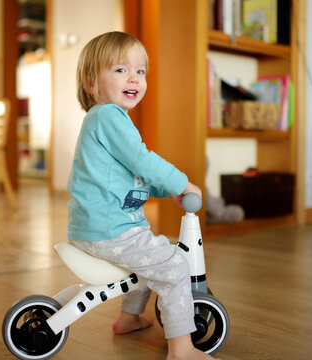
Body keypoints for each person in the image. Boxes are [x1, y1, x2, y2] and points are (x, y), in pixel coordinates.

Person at [67, 31, 216, 360]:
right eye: (120, 70)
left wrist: (167, 191)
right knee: (175, 265)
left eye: (140, 71)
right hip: (110, 230)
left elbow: (133, 178)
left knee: (154, 255)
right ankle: (182, 349)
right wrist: (181, 183)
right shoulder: (108, 116)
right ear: (92, 83)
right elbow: (142, 160)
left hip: (100, 227)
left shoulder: (105, 121)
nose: (134, 77)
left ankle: (129, 318)